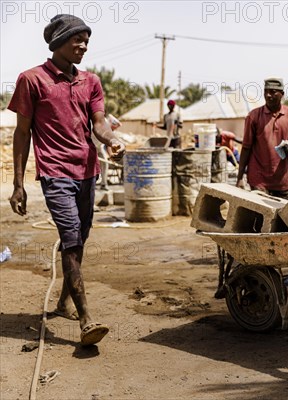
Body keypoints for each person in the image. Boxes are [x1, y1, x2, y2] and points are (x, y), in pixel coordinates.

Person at [8, 14, 126, 346]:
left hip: (88, 171)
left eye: (87, 40)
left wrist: (109, 141)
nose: (84, 45)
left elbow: (99, 124)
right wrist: (18, 184)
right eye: (78, 39)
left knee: (79, 240)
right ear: (58, 42)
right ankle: (87, 318)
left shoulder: (92, 81)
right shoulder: (31, 80)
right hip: (55, 172)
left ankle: (63, 302)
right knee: (71, 240)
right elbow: (22, 133)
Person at [236, 77, 288, 199]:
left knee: (282, 215)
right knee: (260, 216)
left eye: (272, 92)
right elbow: (246, 147)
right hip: (259, 179)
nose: (268, 95)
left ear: (282, 94)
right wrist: (239, 178)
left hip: (281, 179)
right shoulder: (254, 116)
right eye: (266, 91)